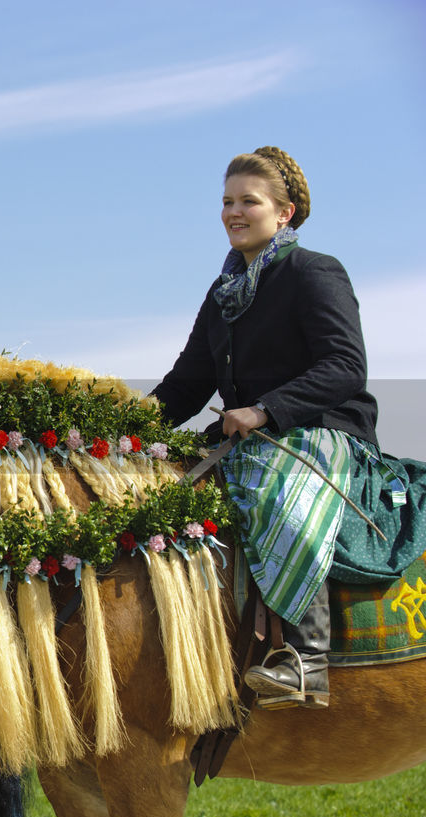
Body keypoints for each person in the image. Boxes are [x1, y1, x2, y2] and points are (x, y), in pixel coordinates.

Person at [151, 146, 398, 709]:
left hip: (321, 433)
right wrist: (124, 430)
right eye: (227, 201)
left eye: (249, 202)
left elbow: (345, 366)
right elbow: (187, 385)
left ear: (284, 213)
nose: (234, 212)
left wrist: (265, 410)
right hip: (247, 437)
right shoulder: (222, 295)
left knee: (272, 486)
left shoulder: (314, 271)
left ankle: (307, 658)